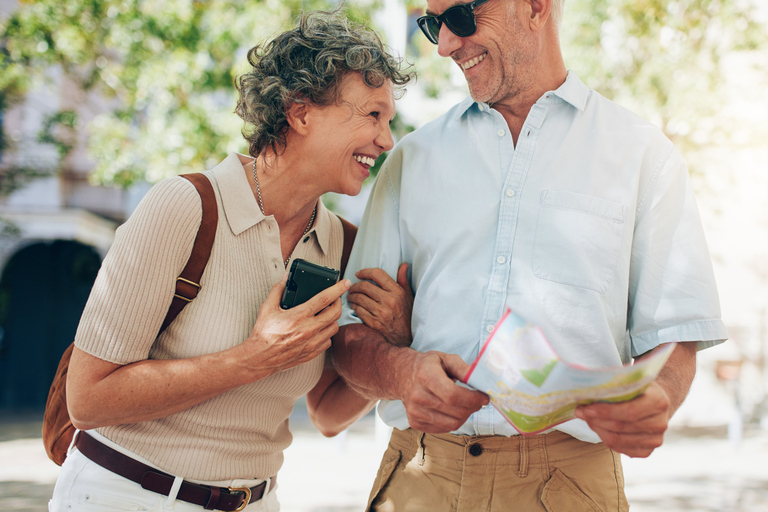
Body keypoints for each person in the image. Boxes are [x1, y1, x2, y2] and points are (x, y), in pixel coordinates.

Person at [332, 0, 728, 510]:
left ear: (536, 7)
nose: (445, 44)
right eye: (433, 25)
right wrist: (400, 372)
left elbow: (675, 340)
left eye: (460, 18)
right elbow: (349, 337)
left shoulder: (644, 157)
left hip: (570, 485)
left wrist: (657, 400)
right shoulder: (412, 158)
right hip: (419, 479)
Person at [48, 10, 414, 512]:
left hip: (255, 501)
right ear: (301, 113)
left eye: (388, 121)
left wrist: (396, 340)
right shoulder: (186, 207)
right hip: (126, 495)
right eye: (372, 115)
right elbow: (87, 400)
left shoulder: (343, 245)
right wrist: (253, 359)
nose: (386, 140)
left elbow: (328, 414)